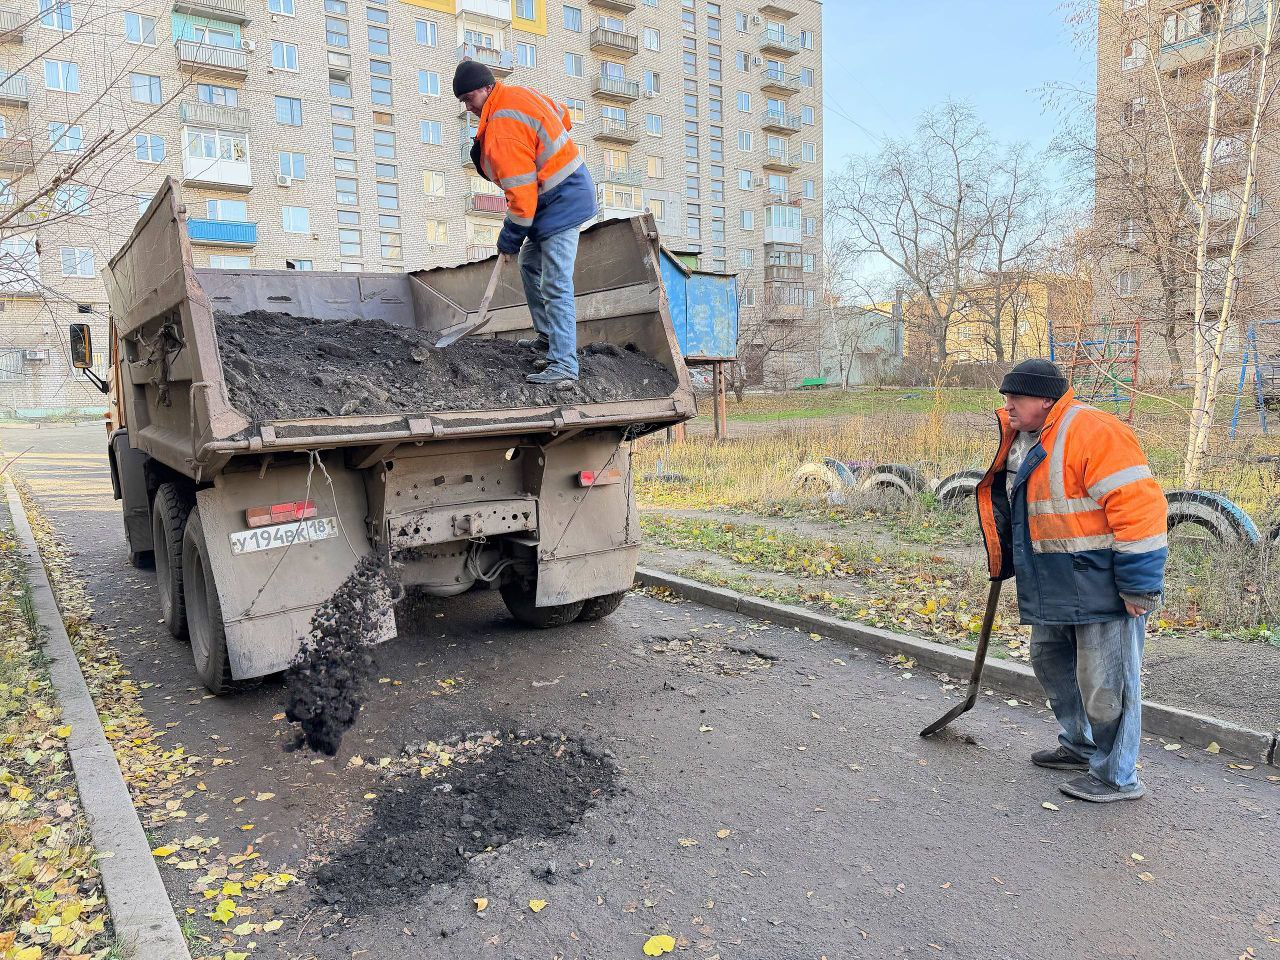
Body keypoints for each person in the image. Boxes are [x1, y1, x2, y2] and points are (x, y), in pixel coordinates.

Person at [975, 359, 1168, 802]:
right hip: (1053, 582)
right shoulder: (1026, 437)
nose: (1007, 407)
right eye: (1006, 398)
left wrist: (1139, 584)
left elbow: (1141, 510)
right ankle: (1080, 747)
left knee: (1107, 684)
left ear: (1046, 399)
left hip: (1102, 584)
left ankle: (1116, 776)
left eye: (1015, 398)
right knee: (1052, 665)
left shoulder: (1094, 430)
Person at [453, 60, 598, 386]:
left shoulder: (503, 129)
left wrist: (510, 236)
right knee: (529, 264)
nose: (468, 107)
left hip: (564, 200)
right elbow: (562, 114)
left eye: (469, 98)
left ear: (487, 88)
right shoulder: (516, 95)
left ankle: (564, 364)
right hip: (551, 196)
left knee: (555, 282)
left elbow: (521, 197)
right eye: (463, 101)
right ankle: (548, 338)